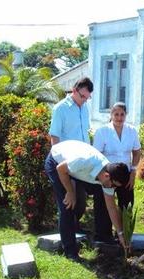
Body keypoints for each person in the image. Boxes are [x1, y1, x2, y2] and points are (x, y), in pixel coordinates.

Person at [44, 140, 130, 261]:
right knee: (68, 205)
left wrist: (120, 234)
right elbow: (61, 169)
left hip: (76, 171)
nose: (113, 189)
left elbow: (111, 207)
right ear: (106, 176)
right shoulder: (85, 161)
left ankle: (103, 236)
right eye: (113, 185)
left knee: (101, 196)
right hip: (56, 163)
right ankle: (70, 252)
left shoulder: (109, 178)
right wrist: (70, 192)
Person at [48, 77, 94, 233]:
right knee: (68, 201)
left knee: (80, 200)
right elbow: (55, 137)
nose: (84, 101)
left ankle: (73, 227)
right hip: (64, 163)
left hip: (80, 162)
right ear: (74, 90)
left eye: (87, 98)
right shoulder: (60, 108)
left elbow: (85, 134)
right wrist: (59, 162)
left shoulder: (84, 108)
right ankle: (68, 236)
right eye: (82, 97)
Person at [92, 102, 141, 243]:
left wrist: (133, 172)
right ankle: (104, 236)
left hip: (125, 173)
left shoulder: (131, 131)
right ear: (111, 115)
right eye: (116, 114)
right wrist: (104, 176)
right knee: (103, 204)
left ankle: (124, 234)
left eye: (122, 114)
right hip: (107, 173)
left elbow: (136, 152)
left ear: (126, 115)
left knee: (126, 204)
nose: (119, 118)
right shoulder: (102, 131)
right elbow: (97, 154)